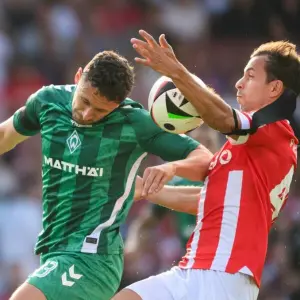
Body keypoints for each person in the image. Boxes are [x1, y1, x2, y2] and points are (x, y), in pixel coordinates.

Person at [0, 50, 213, 300]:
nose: (88, 114)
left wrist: (171, 168)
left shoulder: (136, 123)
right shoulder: (48, 101)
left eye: (101, 111)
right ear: (78, 77)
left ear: (120, 104)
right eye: (85, 101)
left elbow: (205, 159)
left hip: (93, 259)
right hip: (53, 252)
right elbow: (5, 135)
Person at [112, 32, 300, 300]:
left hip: (225, 274)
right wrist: (147, 190)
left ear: (274, 88)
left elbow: (223, 117)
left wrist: (177, 72)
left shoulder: (271, 128)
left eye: (249, 76)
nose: (238, 83)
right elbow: (209, 200)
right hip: (196, 268)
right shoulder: (252, 145)